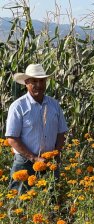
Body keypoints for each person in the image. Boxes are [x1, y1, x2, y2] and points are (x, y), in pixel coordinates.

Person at [5, 64, 68, 194]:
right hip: (25, 163)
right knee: (20, 204)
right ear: (26, 83)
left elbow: (62, 133)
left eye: (42, 81)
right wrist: (34, 158)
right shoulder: (18, 106)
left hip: (49, 162)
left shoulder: (54, 105)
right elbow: (11, 138)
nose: (39, 84)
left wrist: (56, 153)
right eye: (34, 81)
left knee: (51, 201)